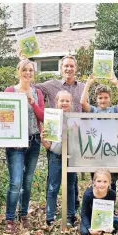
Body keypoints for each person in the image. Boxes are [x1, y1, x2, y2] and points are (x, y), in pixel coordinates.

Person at [29, 54, 84, 210]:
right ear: (61, 69)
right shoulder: (52, 85)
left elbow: (87, 107)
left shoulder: (82, 87)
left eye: (71, 66)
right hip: (55, 140)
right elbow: (32, 86)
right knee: (53, 177)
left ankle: (72, 210)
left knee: (73, 179)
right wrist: (24, 61)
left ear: (76, 68)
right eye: (66, 66)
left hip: (74, 138)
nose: (69, 68)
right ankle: (50, 211)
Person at [4, 59, 44, 233]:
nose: (28, 73)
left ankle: (23, 214)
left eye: (30, 70)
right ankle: (9, 219)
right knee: (16, 181)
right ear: (18, 71)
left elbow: (42, 116)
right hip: (15, 143)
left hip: (34, 140)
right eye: (25, 70)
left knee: (27, 181)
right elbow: (2, 115)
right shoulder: (10, 91)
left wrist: (32, 102)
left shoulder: (37, 92)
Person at [80, 73, 118, 193]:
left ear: (109, 98)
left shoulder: (113, 110)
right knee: (97, 180)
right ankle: (97, 206)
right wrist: (88, 83)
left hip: (111, 151)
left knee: (111, 181)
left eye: (106, 97)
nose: (103, 100)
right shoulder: (93, 110)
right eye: (100, 98)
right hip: (95, 151)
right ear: (96, 99)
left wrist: (116, 82)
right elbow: (82, 102)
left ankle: (109, 207)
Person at [41, 90, 76, 227]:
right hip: (55, 156)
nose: (64, 103)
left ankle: (70, 216)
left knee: (70, 187)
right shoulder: (51, 118)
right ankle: (50, 216)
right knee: (53, 187)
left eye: (67, 101)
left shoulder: (75, 118)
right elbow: (47, 143)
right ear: (56, 102)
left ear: (71, 103)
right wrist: (45, 142)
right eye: (62, 100)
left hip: (71, 157)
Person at [80, 169, 118, 235]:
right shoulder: (88, 194)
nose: (102, 184)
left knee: (113, 230)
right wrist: (90, 229)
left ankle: (116, 220)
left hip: (104, 218)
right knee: (84, 232)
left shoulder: (112, 194)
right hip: (89, 217)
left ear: (109, 182)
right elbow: (84, 214)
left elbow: (110, 212)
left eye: (105, 181)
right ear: (94, 182)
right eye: (99, 181)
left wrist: (109, 224)